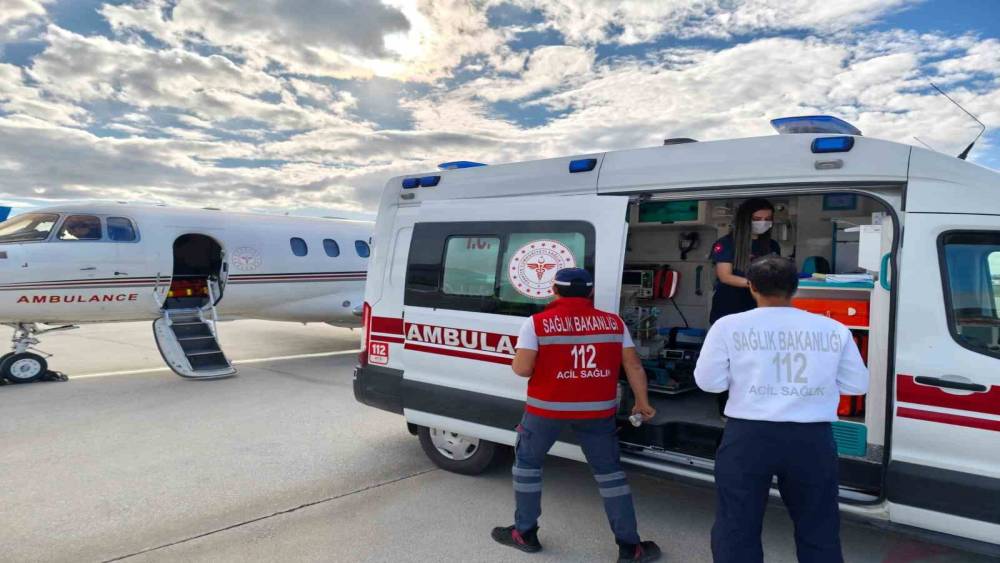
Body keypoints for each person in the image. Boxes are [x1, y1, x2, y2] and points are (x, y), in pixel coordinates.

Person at [693, 256, 868, 563]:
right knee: (819, 527)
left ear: (751, 286)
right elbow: (857, 385)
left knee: (737, 526)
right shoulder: (833, 329)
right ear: (796, 288)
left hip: (748, 437)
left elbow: (709, 383)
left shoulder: (728, 326)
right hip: (812, 439)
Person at [491, 267, 662, 563]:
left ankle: (525, 533)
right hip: (597, 412)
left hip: (546, 410)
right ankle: (630, 547)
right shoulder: (614, 322)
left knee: (528, 467)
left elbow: (522, 369)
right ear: (590, 292)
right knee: (610, 474)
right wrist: (642, 402)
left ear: (554, 291)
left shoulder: (536, 323)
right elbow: (634, 366)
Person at [709, 198, 780, 415]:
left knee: (759, 360)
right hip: (729, 307)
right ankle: (726, 407)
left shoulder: (772, 246)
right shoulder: (726, 244)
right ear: (745, 220)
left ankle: (755, 405)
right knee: (730, 361)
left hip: (761, 309)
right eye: (757, 218)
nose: (763, 222)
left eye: (767, 219)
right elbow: (725, 276)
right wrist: (756, 284)